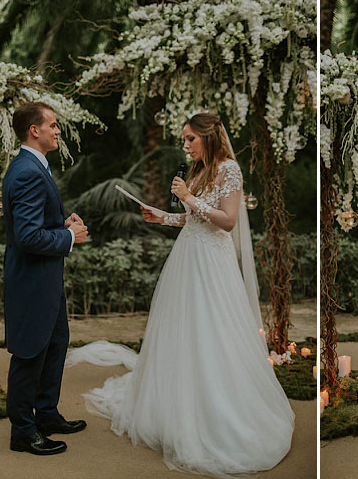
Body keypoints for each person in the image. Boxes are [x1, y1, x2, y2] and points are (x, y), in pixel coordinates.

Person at [69, 113, 293, 479]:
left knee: (213, 332)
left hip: (212, 264)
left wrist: (188, 197)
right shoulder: (199, 169)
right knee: (182, 331)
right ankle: (176, 404)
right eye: (184, 139)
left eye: (191, 139)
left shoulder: (229, 170)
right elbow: (193, 219)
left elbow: (228, 220)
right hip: (187, 258)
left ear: (209, 137)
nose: (186, 146)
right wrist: (162, 217)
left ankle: (219, 408)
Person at [3, 101, 90, 456]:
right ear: (34, 131)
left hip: (47, 280)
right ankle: (23, 431)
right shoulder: (26, 171)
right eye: (52, 125)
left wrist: (61, 226)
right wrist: (70, 238)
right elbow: (26, 237)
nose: (58, 131)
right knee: (30, 353)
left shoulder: (35, 166)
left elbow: (38, 226)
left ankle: (47, 414)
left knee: (54, 346)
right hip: (32, 282)